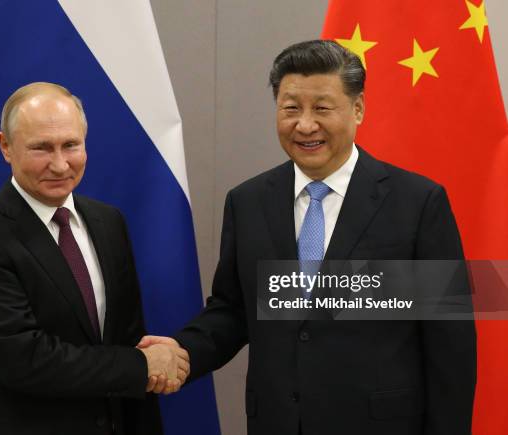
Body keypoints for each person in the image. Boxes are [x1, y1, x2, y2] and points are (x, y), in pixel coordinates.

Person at [139, 40, 476, 434]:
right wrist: (182, 353)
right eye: (291, 108)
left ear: (358, 109)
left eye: (322, 108)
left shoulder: (418, 203)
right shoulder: (248, 202)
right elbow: (233, 310)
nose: (305, 125)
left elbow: (449, 346)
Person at [0, 82, 188, 435]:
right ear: (5, 146)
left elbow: (125, 335)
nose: (60, 165)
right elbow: (25, 360)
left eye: (71, 145)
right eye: (41, 148)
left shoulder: (108, 222)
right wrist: (141, 365)